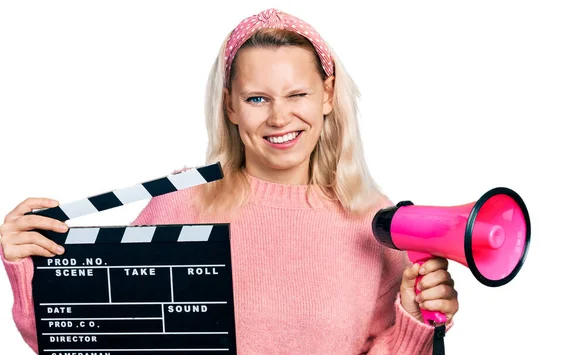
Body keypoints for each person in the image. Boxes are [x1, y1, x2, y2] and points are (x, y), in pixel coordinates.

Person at [0, 8, 459, 354]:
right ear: (230, 106)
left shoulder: (377, 221)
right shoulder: (182, 203)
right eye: (258, 97)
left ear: (328, 94)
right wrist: (27, 266)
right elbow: (101, 336)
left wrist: (415, 322)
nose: (280, 117)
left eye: (297, 94)